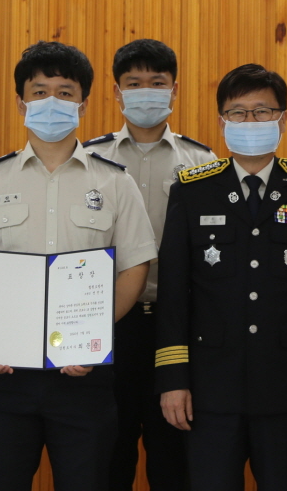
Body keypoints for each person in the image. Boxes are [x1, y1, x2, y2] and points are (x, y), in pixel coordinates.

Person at [0, 41, 156, 491]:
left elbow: (135, 267)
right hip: (1, 377)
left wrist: (93, 333)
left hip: (84, 378)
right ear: (21, 102)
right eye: (39, 92)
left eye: (64, 92)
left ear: (84, 103)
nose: (52, 102)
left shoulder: (114, 182)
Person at [155, 64, 287, 491]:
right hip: (208, 389)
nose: (250, 121)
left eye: (263, 111)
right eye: (238, 112)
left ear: (283, 118)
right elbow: (173, 293)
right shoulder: (191, 190)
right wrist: (173, 380)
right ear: (222, 120)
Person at [83, 39, 214, 491]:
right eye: (134, 83)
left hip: (176, 326)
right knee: (107, 453)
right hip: (107, 322)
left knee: (173, 456)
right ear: (116, 92)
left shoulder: (202, 162)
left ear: (174, 90)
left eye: (157, 83)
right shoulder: (90, 160)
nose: (146, 93)